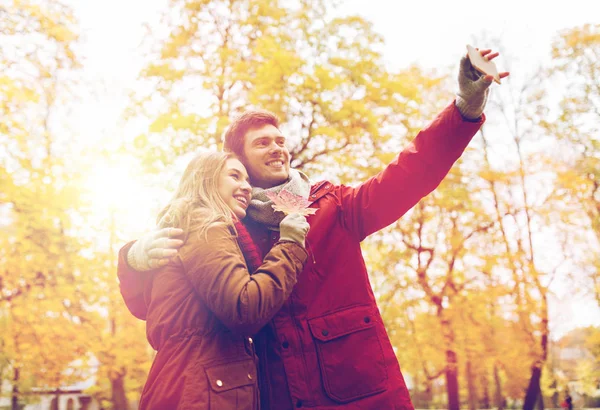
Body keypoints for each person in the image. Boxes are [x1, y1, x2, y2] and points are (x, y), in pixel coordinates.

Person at [118, 48, 509, 409]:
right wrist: (134, 258)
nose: (277, 148)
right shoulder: (226, 227)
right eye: (262, 143)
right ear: (236, 161)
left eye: (280, 141)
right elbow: (158, 307)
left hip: (360, 390)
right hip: (279, 395)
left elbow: (407, 175)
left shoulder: (331, 205)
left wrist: (464, 109)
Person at [135, 151, 309, 409]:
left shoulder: (190, 225)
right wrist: (290, 245)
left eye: (248, 180)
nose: (246, 187)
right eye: (234, 176)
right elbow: (244, 308)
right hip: (202, 391)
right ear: (206, 180)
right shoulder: (207, 224)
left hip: (190, 385)